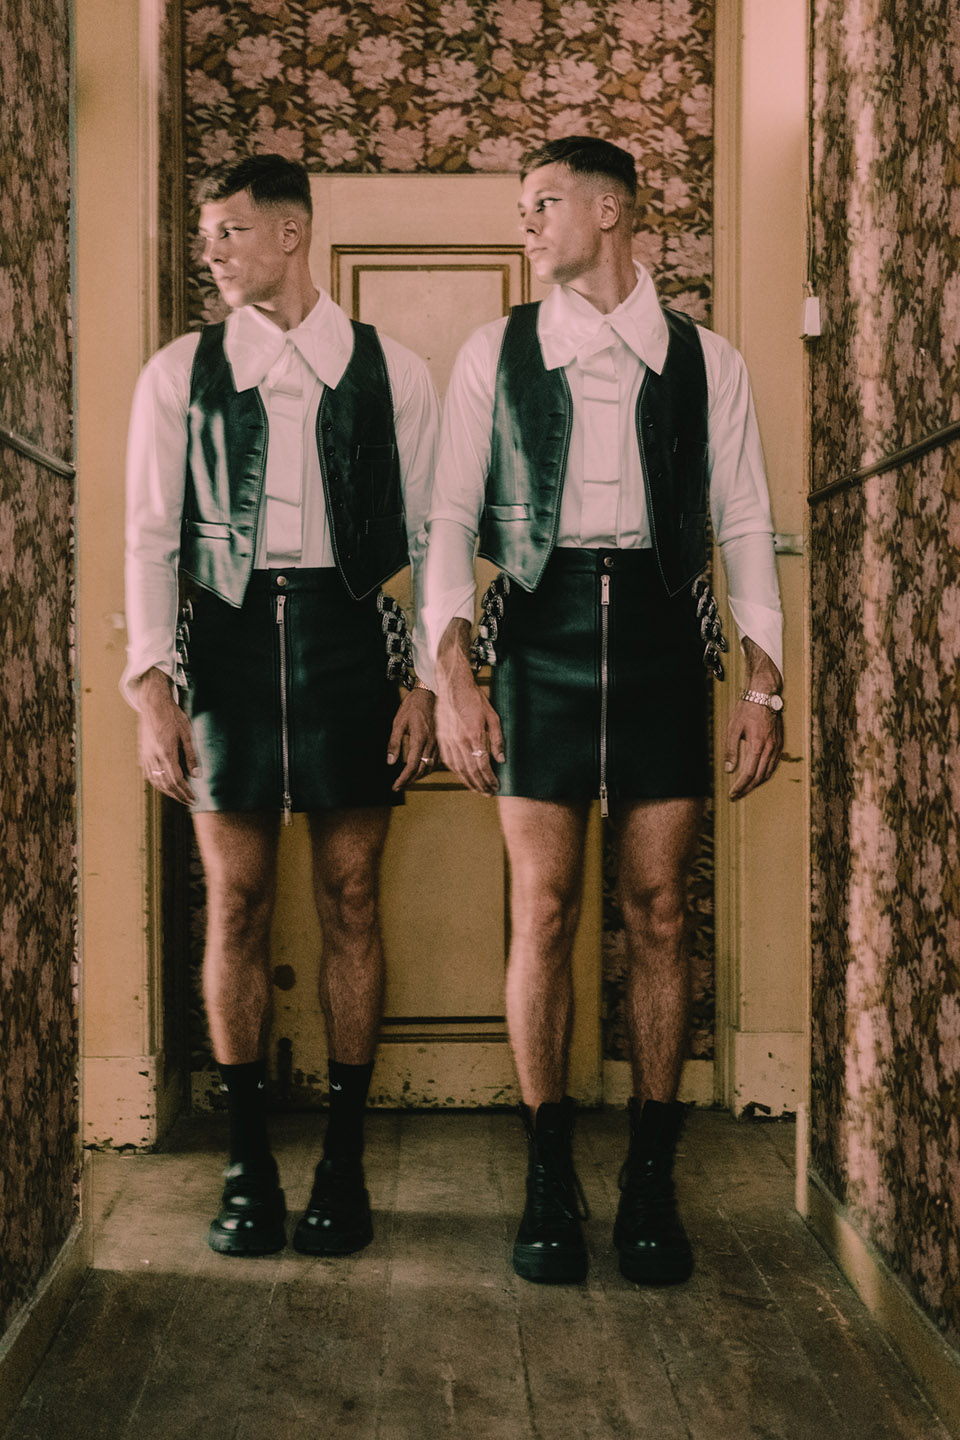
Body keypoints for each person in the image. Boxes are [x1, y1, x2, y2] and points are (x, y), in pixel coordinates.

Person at [423, 136, 784, 1286]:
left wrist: (763, 681)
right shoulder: (496, 352)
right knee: (543, 908)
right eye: (523, 207)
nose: (526, 225)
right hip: (539, 639)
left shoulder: (706, 360)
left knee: (660, 910)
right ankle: (548, 1175)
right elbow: (447, 522)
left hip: (667, 642)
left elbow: (744, 522)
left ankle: (650, 1177)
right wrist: (454, 680)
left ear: (611, 211)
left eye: (543, 204)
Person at [123, 155, 439, 1258]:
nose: (210, 251)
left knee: (351, 898)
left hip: (352, 643)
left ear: (292, 234)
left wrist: (425, 680)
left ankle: (343, 1160)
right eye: (207, 232)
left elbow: (431, 538)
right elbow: (149, 538)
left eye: (231, 230)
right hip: (226, 649)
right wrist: (153, 687)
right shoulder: (179, 372)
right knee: (239, 900)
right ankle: (247, 1160)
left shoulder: (392, 370)